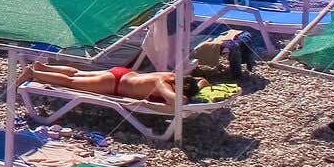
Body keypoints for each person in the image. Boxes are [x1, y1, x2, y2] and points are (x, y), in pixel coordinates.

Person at [22, 62, 206, 106]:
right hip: (114, 84)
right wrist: (188, 97)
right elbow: (177, 101)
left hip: (122, 73)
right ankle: (34, 72)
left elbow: (203, 81)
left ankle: (44, 66)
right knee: (72, 82)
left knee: (78, 73)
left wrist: (200, 88)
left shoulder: (171, 76)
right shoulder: (163, 84)